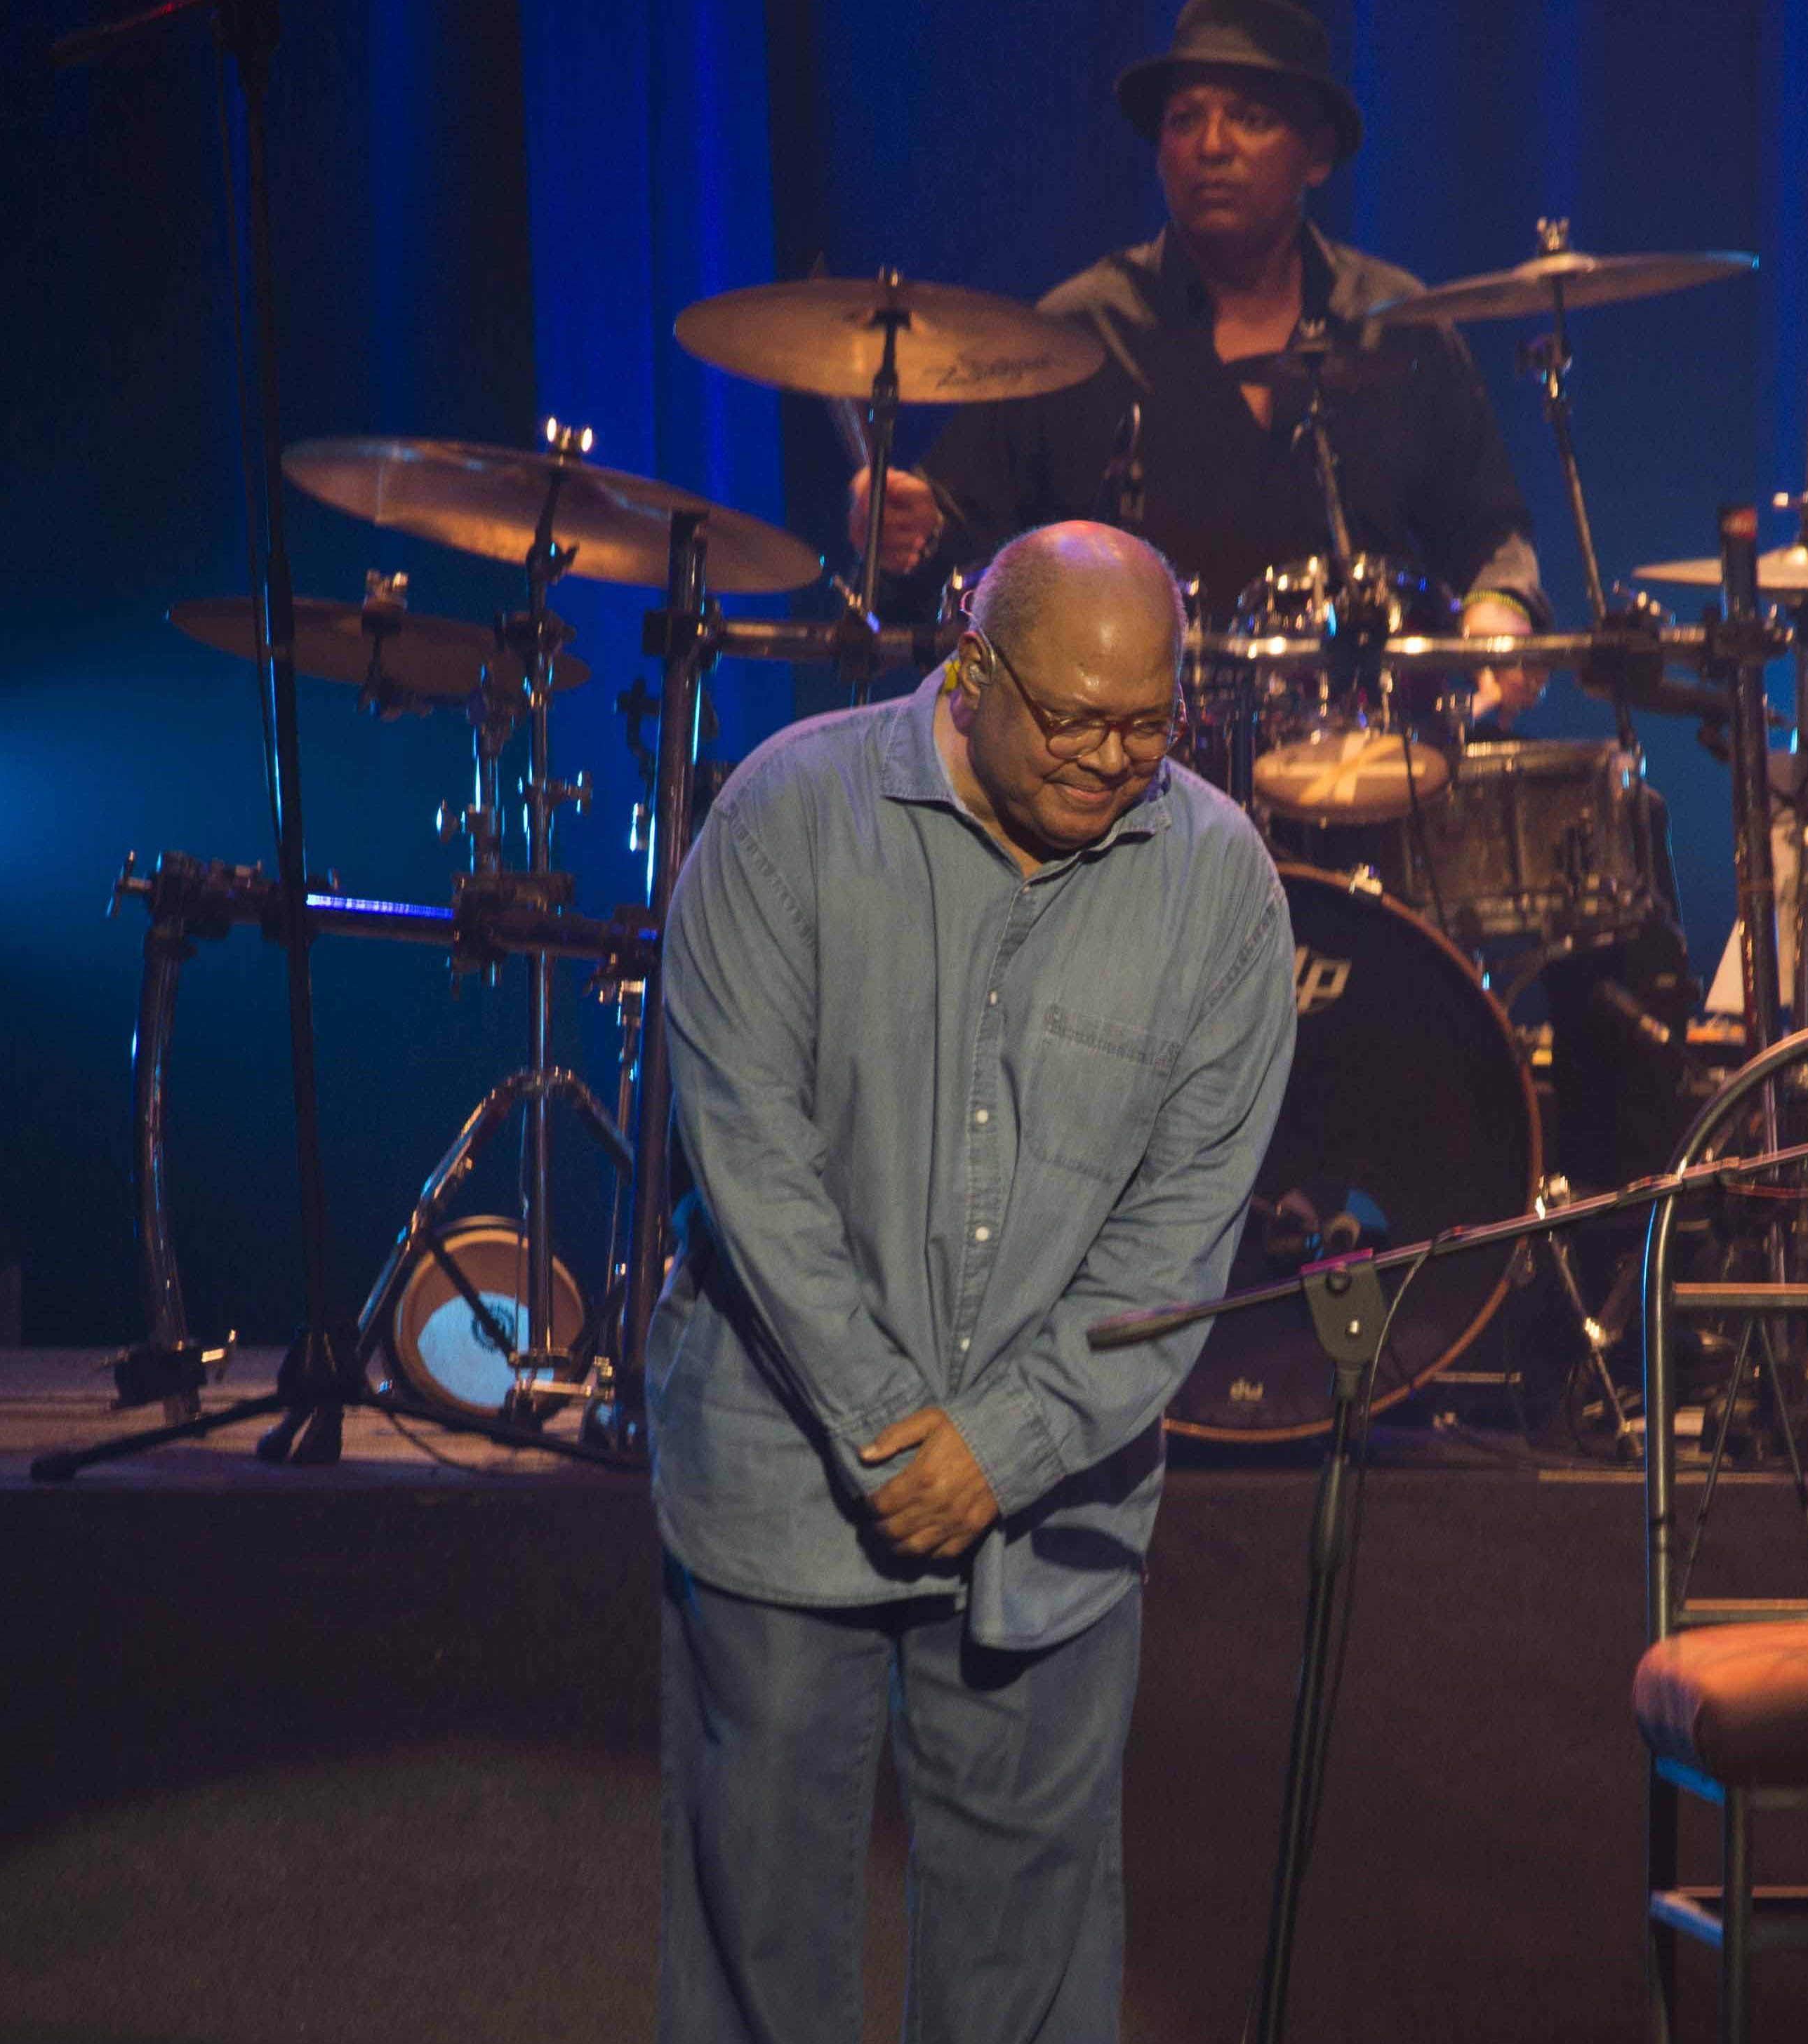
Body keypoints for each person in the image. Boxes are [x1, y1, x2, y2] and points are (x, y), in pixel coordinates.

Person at [647, 521, 1298, 2043]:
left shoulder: (1221, 888)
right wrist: (897, 1431)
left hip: (1054, 1505)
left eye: (1149, 724)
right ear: (970, 661)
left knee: (1031, 1965)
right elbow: (750, 1157)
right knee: (761, 1949)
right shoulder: (786, 813)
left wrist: (1001, 1446)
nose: (1108, 758)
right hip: (780, 1470)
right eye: (1071, 718)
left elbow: (1183, 1230)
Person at [850, 0, 1551, 719]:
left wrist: (1502, 608)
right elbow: (954, 545)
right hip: (1125, 780)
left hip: (1370, 764)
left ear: (1315, 154)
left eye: (1249, 118)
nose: (1212, 145)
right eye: (1185, 120)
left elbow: (1489, 529)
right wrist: (906, 526)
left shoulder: (1400, 329)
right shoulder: (1078, 334)